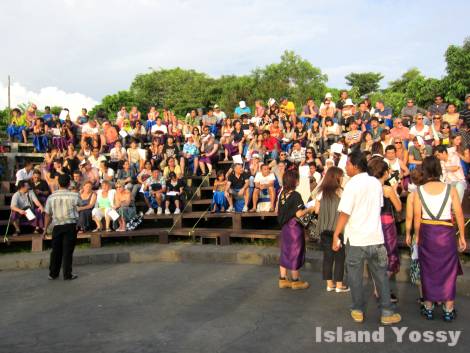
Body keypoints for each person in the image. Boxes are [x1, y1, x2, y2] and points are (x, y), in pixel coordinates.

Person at [332, 151, 402, 325]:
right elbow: (377, 207)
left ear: (355, 166)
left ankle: (357, 310)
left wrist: (336, 234)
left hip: (356, 238)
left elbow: (344, 213)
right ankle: (387, 312)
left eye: (347, 164)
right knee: (381, 277)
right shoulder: (375, 184)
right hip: (376, 238)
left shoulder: (352, 185)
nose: (346, 167)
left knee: (355, 277)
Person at [413, 156, 466, 321]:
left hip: (427, 232)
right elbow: (458, 214)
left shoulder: (418, 191)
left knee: (427, 270)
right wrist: (462, 236)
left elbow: (416, 217)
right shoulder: (450, 189)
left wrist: (417, 236)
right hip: (446, 233)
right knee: (448, 271)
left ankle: (428, 307)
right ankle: (448, 308)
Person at [368, 158, 402, 303]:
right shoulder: (387, 189)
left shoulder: (369, 188)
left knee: (376, 258)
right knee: (391, 256)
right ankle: (381, 287)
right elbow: (399, 207)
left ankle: (378, 289)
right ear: (384, 172)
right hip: (386, 224)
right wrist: (395, 190)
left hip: (372, 223)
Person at [277, 169, 315, 290]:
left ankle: (282, 279)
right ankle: (295, 280)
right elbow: (299, 213)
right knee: (295, 252)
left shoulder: (282, 194)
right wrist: (310, 208)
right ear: (294, 181)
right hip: (294, 228)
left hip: (285, 227)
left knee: (285, 251)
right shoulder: (296, 195)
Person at [314, 166, 349, 293]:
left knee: (328, 256)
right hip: (337, 229)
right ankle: (339, 285)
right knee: (340, 257)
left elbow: (317, 210)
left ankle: (329, 284)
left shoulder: (320, 192)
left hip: (324, 228)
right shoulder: (341, 192)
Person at [43, 174, 80, 280]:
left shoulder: (51, 196)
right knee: (68, 251)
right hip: (70, 225)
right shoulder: (74, 195)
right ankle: (67, 274)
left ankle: (53, 273)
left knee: (56, 250)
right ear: (69, 183)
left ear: (58, 183)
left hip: (57, 225)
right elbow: (80, 203)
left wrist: (45, 229)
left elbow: (47, 214)